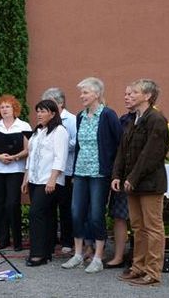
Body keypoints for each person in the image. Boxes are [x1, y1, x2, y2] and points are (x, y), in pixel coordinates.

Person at [62, 77, 122, 273]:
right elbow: (79, 145)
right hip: (80, 172)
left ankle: (97, 257)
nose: (82, 96)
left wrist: (115, 172)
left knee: (96, 215)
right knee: (76, 212)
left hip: (99, 174)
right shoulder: (80, 116)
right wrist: (74, 172)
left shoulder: (108, 115)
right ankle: (78, 254)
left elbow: (119, 144)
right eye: (82, 93)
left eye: (85, 92)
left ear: (97, 94)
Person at [112, 79, 168, 286]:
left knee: (153, 228)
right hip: (133, 184)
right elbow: (123, 150)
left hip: (150, 184)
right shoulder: (133, 120)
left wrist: (132, 178)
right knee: (138, 227)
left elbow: (150, 155)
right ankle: (139, 267)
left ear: (147, 96)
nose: (129, 96)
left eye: (134, 92)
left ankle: (153, 273)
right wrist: (117, 175)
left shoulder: (156, 119)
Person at [22, 100, 69, 266]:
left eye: (43, 111)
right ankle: (47, 250)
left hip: (49, 181)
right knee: (47, 215)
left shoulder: (59, 131)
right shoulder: (38, 131)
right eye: (38, 111)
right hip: (35, 179)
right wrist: (26, 178)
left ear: (53, 113)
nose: (39, 114)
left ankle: (38, 253)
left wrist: (52, 179)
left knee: (36, 214)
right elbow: (31, 156)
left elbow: (60, 157)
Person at [0, 94, 31, 251]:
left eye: (8, 106)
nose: (5, 109)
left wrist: (15, 157)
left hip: (15, 169)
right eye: (2, 107)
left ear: (14, 109)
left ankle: (18, 241)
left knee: (12, 204)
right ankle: (3, 239)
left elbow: (28, 150)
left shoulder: (24, 126)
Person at [42, 88, 76, 253]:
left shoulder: (71, 119)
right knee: (49, 206)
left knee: (65, 206)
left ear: (60, 103)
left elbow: (76, 142)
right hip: (49, 171)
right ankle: (50, 238)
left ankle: (67, 240)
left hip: (66, 170)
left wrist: (60, 145)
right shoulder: (45, 122)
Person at [105, 109, 135, 268]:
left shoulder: (153, 118)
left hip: (138, 175)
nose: (127, 97)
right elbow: (118, 148)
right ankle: (118, 256)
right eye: (126, 94)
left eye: (131, 94)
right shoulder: (123, 119)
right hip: (121, 174)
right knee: (119, 216)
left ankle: (138, 257)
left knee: (139, 219)